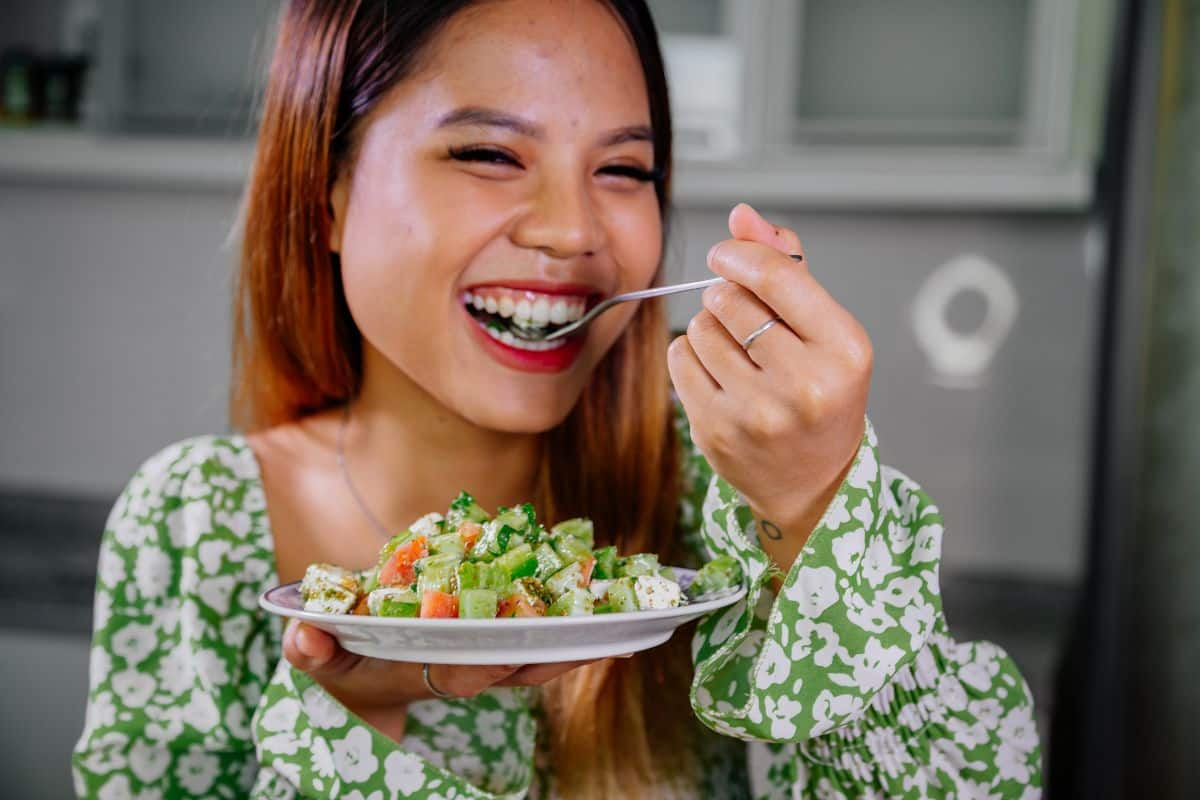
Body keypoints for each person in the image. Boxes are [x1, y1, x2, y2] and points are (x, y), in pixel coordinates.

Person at [71, 1, 1042, 797]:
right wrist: (359, 711)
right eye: (489, 154)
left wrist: (819, 506)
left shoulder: (714, 483)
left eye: (624, 169)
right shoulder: (194, 523)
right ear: (327, 191)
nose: (574, 230)